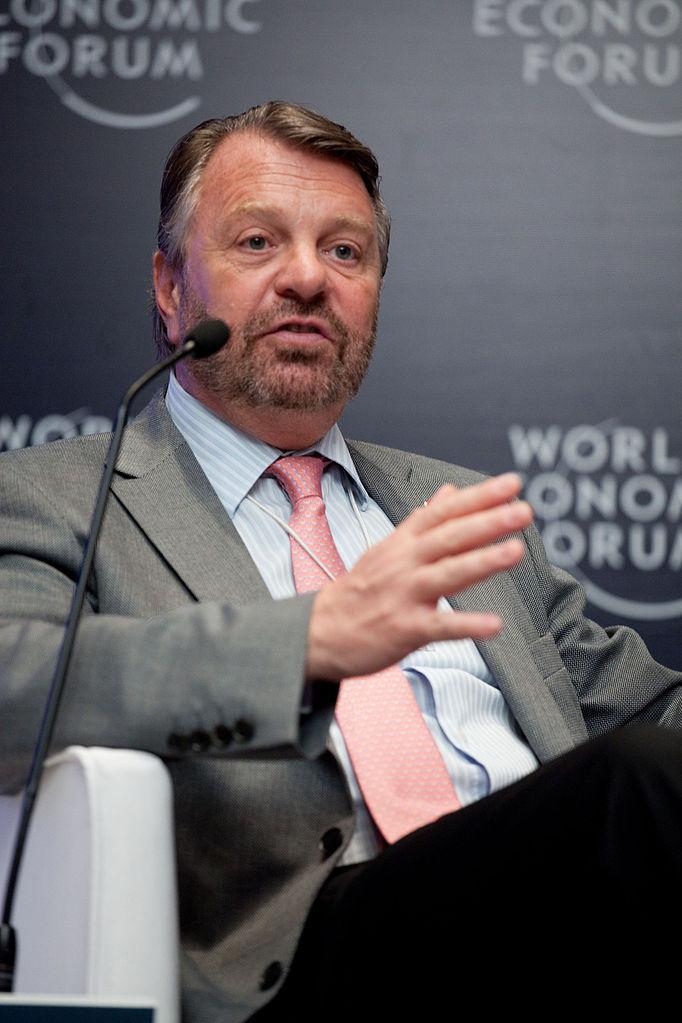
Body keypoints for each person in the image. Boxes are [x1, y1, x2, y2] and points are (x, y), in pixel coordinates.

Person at [1, 101, 681, 1021]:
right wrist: (306, 644)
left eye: (346, 251)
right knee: (633, 785)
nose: (308, 278)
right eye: (257, 242)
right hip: (296, 973)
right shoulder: (55, 495)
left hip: (568, 931)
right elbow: (13, 688)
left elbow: (647, 711)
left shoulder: (454, 506)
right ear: (169, 285)